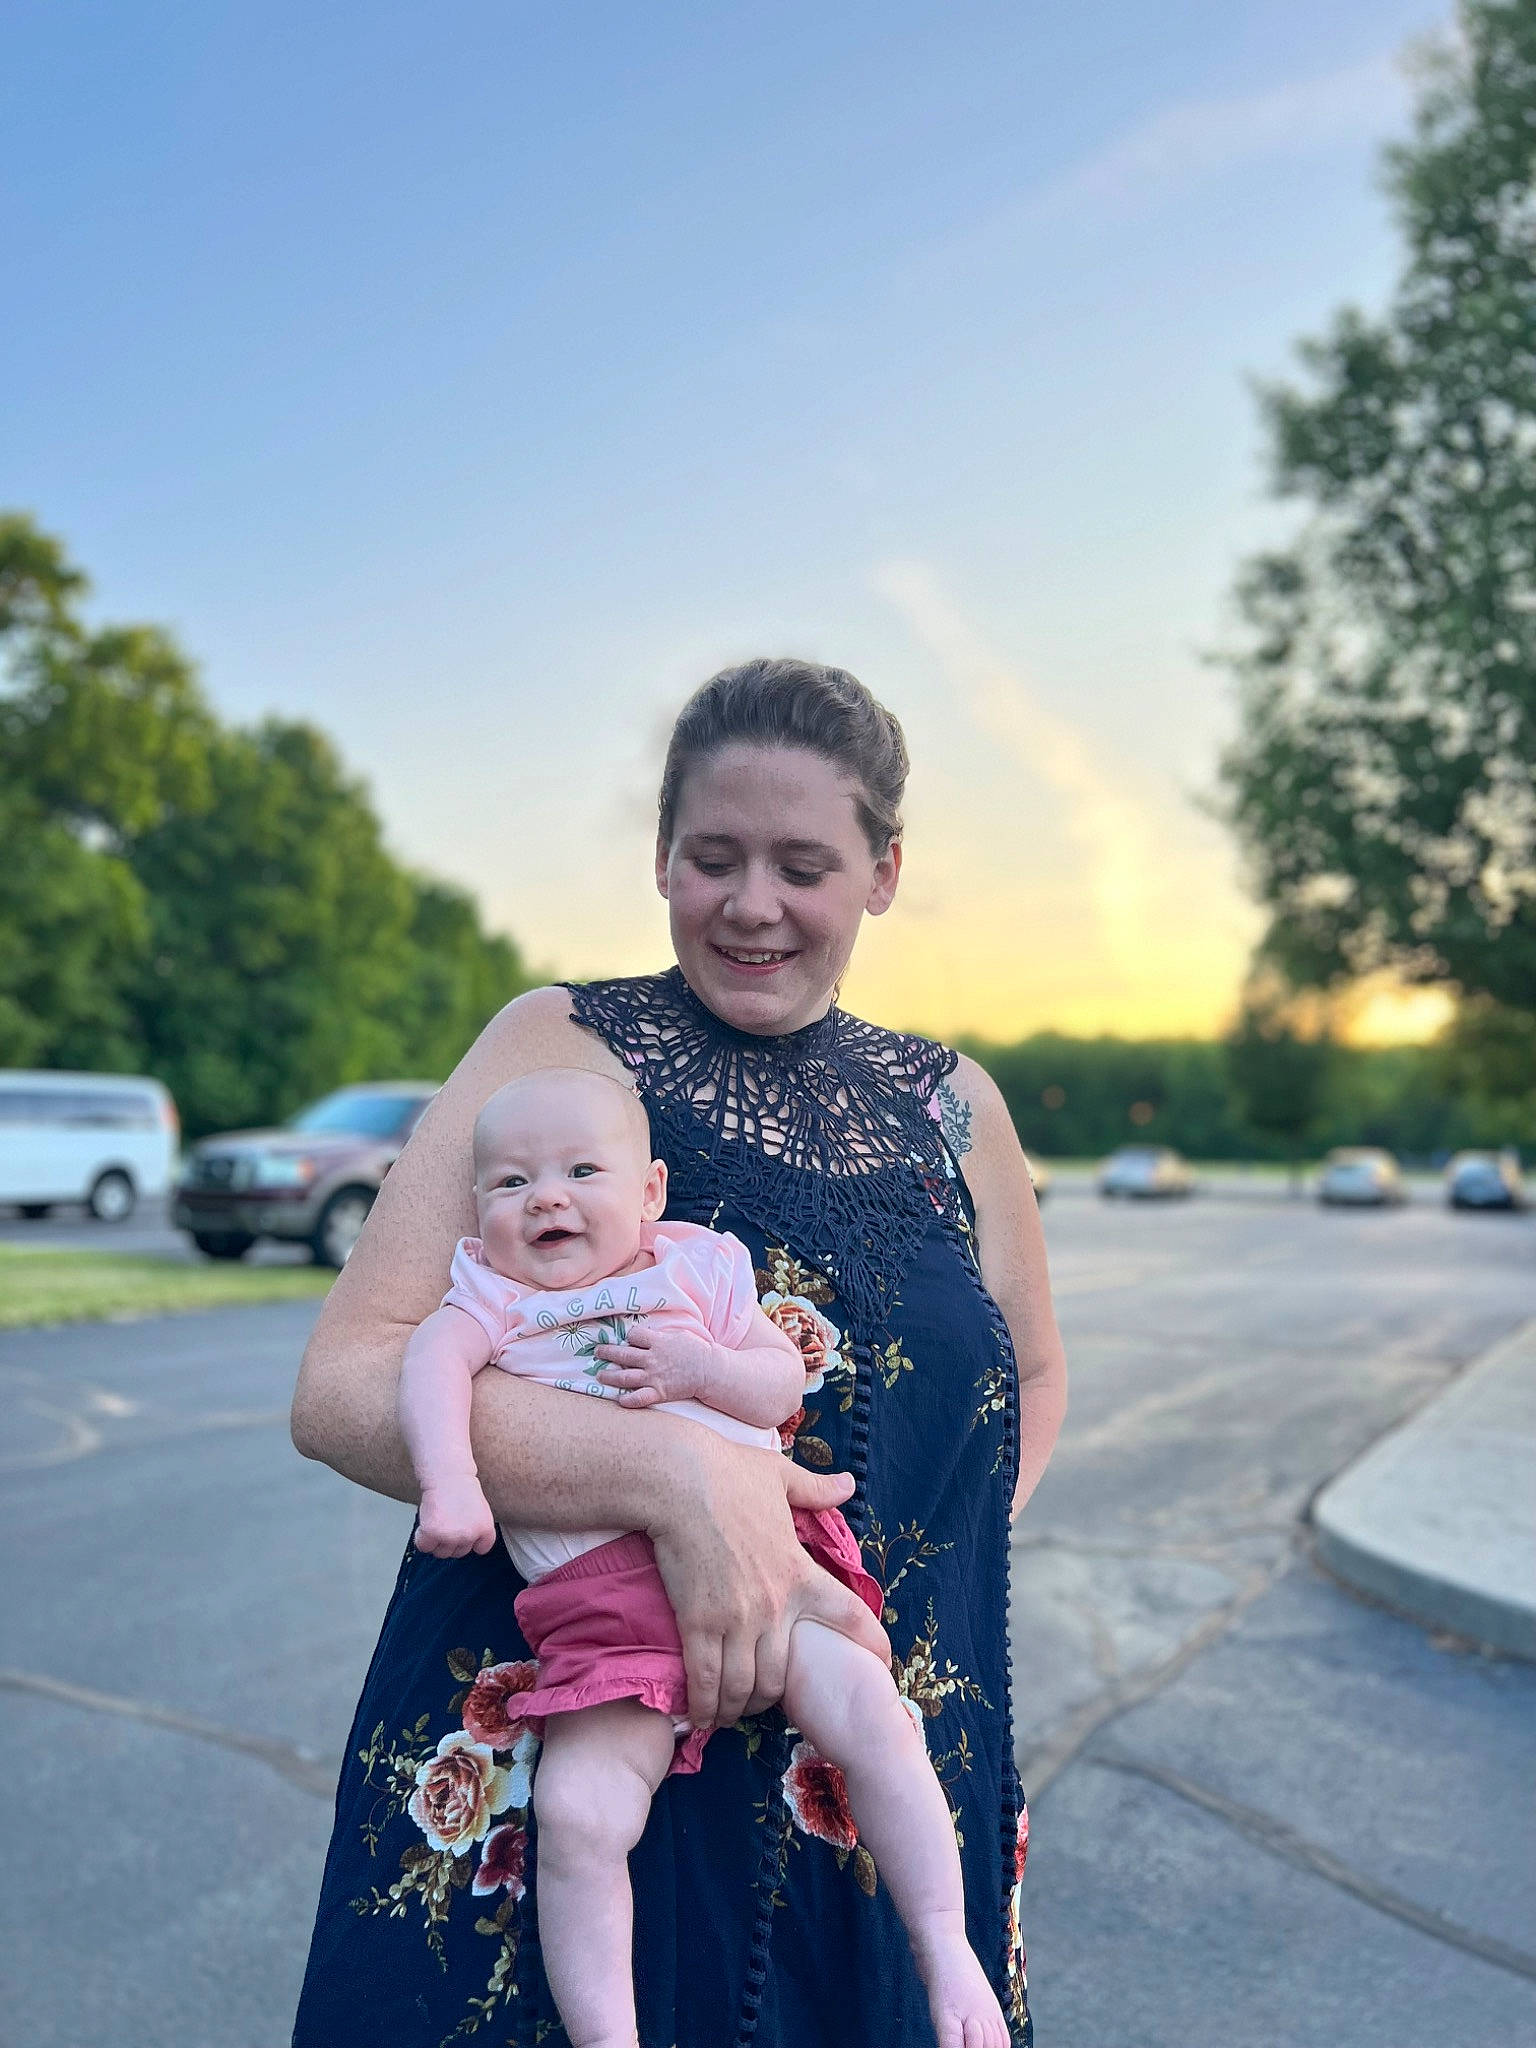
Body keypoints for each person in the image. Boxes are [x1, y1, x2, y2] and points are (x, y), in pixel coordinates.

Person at [291, 656, 1068, 2048]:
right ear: (661, 859)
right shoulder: (560, 1046)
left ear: (886, 871)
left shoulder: (959, 1108)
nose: (751, 903)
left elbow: (1034, 1378)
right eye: (713, 858)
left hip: (868, 1754)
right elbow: (350, 1383)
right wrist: (675, 1480)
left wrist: (911, 1571)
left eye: (804, 864)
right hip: (578, 1736)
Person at [398, 1066, 1012, 2048]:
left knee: (878, 1720)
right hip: (603, 1610)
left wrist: (702, 1369)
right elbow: (428, 1366)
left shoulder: (695, 1266)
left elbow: (778, 1382)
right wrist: (451, 1483)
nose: (545, 1196)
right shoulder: (494, 1298)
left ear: (649, 1191)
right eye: (511, 1183)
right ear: (480, 1209)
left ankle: (946, 1946)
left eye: (581, 1170)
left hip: (769, 1564)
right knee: (582, 1812)